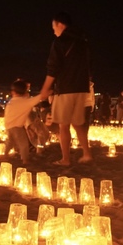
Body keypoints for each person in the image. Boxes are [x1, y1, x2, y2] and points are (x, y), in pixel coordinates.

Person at [39, 12, 93, 166]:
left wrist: (45, 89)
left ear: (61, 25)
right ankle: (87, 154)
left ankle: (66, 159)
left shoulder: (60, 42)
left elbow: (53, 68)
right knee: (77, 123)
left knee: (63, 125)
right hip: (82, 89)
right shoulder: (83, 42)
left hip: (66, 88)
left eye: (54, 27)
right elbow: (90, 66)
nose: (53, 31)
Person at [4, 79, 46, 164]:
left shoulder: (12, 101)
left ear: (13, 92)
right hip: (17, 127)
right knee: (24, 144)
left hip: (8, 126)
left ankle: (5, 154)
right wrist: (47, 91)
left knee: (10, 141)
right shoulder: (26, 102)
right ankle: (25, 159)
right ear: (25, 92)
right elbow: (39, 97)